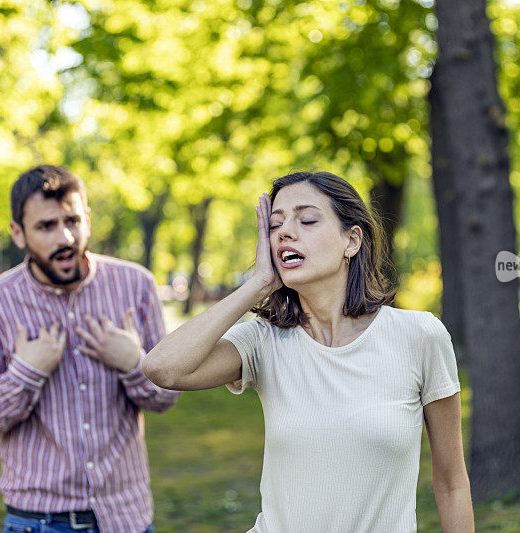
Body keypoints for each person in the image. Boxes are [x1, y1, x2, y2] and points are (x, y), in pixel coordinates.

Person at [143, 171, 474, 532]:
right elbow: (162, 368)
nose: (285, 232)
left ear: (352, 240)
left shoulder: (420, 336)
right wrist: (258, 284)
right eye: (275, 224)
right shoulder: (263, 341)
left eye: (307, 219)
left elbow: (452, 483)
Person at [0, 165, 181, 533]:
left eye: (73, 220)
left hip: (126, 518)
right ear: (18, 233)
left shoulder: (136, 286)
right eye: (46, 226)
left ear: (87, 219)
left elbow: (164, 399)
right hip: (38, 522)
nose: (65, 237)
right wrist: (26, 373)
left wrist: (133, 364)